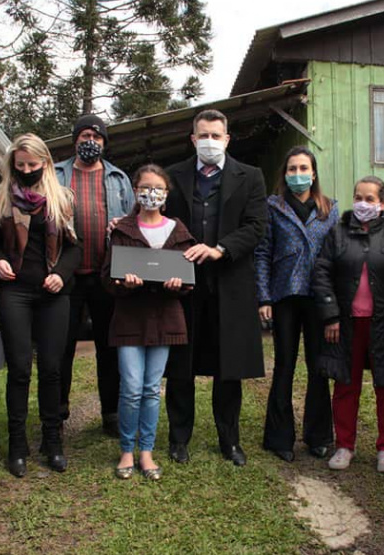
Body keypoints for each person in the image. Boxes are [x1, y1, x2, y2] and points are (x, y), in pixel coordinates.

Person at [163, 109, 267, 466]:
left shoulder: (250, 176)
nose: (209, 141)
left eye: (216, 135)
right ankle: (179, 439)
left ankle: (230, 440)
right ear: (193, 139)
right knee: (181, 364)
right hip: (183, 283)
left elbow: (256, 227)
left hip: (230, 282)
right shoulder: (174, 176)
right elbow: (159, 221)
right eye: (202, 135)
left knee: (228, 366)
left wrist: (220, 248)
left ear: (227, 138)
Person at [313, 176, 384, 473]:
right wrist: (330, 314)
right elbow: (322, 273)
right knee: (345, 387)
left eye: (370, 199)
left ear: (382, 204)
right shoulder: (337, 234)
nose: (363, 203)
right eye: (358, 197)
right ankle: (344, 445)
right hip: (346, 325)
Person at [0, 133, 81, 478]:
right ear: (13, 163)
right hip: (15, 291)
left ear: (45, 163)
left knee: (53, 368)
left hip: (53, 293)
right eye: (21, 164)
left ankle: (52, 441)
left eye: (33, 164)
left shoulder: (62, 198)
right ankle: (17, 444)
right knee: (20, 368)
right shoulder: (0, 197)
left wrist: (61, 274)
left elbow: (75, 247)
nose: (27, 170)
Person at [103, 165, 196, 480]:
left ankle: (147, 452)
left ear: (166, 195)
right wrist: (122, 284)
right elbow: (107, 277)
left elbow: (188, 280)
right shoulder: (122, 230)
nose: (151, 193)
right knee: (130, 388)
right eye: (145, 187)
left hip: (165, 320)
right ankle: (127, 451)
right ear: (135, 191)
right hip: (129, 319)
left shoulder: (179, 230)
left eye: (158, 188)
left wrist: (178, 285)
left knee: (152, 389)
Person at [255, 146, 337, 462]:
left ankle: (318, 435)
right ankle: (279, 438)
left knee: (319, 366)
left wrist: (335, 304)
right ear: (285, 174)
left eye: (304, 168)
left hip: (319, 297)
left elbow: (337, 257)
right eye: (292, 169)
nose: (298, 174)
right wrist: (264, 297)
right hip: (284, 295)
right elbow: (262, 254)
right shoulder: (272, 207)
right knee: (284, 366)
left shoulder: (330, 209)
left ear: (313, 173)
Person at [55, 114, 135, 437]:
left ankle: (111, 413)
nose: (92, 141)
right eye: (86, 135)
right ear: (75, 139)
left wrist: (123, 227)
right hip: (66, 273)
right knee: (61, 346)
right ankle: (57, 413)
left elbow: (134, 222)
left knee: (109, 345)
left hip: (106, 273)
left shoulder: (118, 178)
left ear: (104, 142)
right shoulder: (57, 174)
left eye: (98, 137)